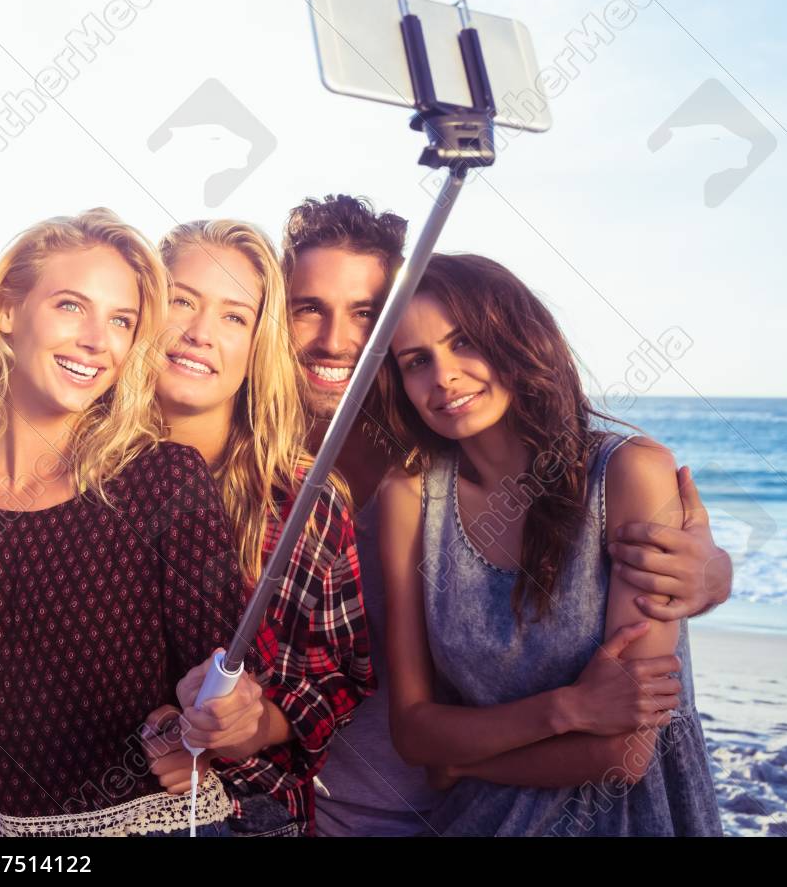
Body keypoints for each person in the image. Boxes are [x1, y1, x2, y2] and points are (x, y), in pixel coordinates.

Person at [285, 196, 736, 836]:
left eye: (463, 341)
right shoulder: (407, 493)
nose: (444, 377)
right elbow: (417, 734)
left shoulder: (628, 473)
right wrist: (568, 709)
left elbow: (624, 753)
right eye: (416, 360)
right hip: (436, 816)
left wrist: (716, 574)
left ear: (513, 334)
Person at [0, 208, 250, 837]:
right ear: (7, 311)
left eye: (122, 320)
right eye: (71, 306)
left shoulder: (163, 480)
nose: (98, 340)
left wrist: (213, 724)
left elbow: (226, 692)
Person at [138, 219, 373, 836]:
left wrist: (254, 724)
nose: (198, 333)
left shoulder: (303, 499)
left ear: (257, 344)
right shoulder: (68, 468)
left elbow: (342, 678)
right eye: (181, 300)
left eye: (234, 317)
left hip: (249, 814)